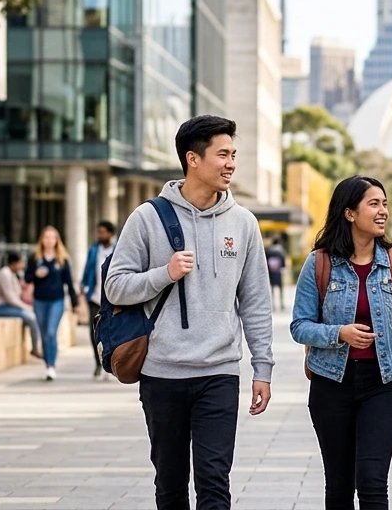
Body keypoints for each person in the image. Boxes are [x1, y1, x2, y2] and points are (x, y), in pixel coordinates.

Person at [105, 115, 275, 510]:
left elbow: (255, 301)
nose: (231, 163)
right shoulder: (147, 218)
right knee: (170, 483)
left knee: (215, 481)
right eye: (223, 154)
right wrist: (164, 274)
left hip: (219, 371)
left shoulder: (244, 223)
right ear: (193, 159)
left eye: (234, 154)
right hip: (162, 372)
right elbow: (115, 286)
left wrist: (262, 368)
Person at [292, 176, 392, 510]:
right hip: (331, 383)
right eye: (374, 204)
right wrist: (339, 334)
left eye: (384, 204)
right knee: (339, 486)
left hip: (382, 384)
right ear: (349, 213)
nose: (383, 211)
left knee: (372, 482)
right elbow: (299, 326)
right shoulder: (321, 263)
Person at [26, 225, 80, 381]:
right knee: (44, 335)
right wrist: (36, 274)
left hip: (56, 300)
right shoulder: (35, 258)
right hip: (39, 300)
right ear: (42, 240)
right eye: (46, 237)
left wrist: (75, 302)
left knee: (51, 332)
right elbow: (27, 278)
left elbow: (69, 282)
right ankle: (47, 363)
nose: (49, 241)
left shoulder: (62, 259)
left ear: (57, 240)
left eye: (52, 238)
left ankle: (51, 365)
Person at [80, 221, 117, 378]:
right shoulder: (94, 250)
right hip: (95, 297)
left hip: (114, 298)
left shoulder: (118, 249)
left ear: (110, 233)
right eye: (98, 232)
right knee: (94, 332)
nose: (100, 235)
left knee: (112, 331)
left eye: (103, 232)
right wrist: (83, 286)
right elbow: (88, 269)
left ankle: (111, 363)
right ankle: (98, 363)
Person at [0, 253, 42, 360]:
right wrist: (25, 307)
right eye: (20, 263)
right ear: (14, 263)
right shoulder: (4, 274)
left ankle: (37, 345)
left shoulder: (13, 274)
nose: (22, 266)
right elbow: (9, 297)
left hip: (9, 306)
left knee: (33, 314)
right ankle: (36, 348)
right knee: (30, 317)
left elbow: (17, 293)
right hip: (0, 307)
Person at [265, 237, 288, 311]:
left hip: (271, 272)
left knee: (272, 289)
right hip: (278, 272)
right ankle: (281, 303)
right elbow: (283, 262)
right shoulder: (280, 251)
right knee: (280, 288)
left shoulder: (269, 251)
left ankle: (273, 304)